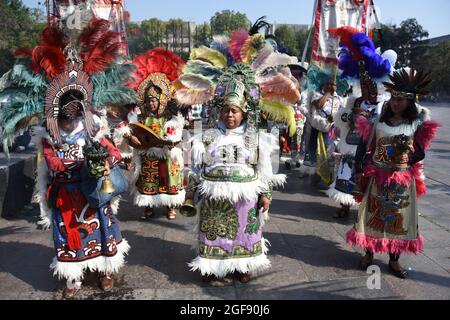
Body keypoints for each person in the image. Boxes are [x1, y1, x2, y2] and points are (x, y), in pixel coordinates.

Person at [176, 20, 299, 283]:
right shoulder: (207, 136)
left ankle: (241, 265)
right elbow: (197, 166)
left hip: (245, 196)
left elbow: (263, 169)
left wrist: (265, 194)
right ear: (220, 111)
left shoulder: (255, 138)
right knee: (215, 233)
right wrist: (190, 190)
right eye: (226, 110)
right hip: (214, 194)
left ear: (243, 113)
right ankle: (213, 267)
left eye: (234, 111)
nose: (229, 115)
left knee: (243, 232)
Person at [347, 68, 439, 279]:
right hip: (378, 178)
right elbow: (363, 147)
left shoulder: (416, 124)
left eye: (400, 100)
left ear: (409, 102)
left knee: (398, 219)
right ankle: (369, 253)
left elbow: (421, 152)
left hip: (402, 182)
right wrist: (359, 169)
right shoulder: (377, 121)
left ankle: (394, 260)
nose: (396, 103)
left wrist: (408, 156)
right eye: (393, 99)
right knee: (372, 216)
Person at [128, 48, 186, 221]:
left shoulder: (170, 117)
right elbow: (131, 133)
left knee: (169, 181)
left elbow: (177, 133)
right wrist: (131, 138)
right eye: (148, 100)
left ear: (161, 100)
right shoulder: (140, 118)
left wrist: (172, 140)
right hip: (147, 156)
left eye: (154, 100)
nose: (151, 103)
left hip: (166, 155)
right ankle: (148, 208)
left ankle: (170, 207)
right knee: (148, 183)